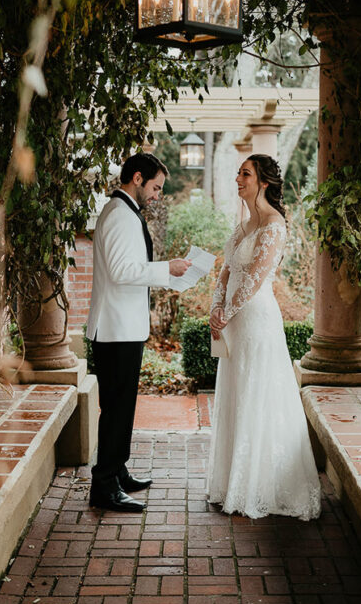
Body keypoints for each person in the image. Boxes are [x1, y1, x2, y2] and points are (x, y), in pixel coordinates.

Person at [207, 154, 322, 520]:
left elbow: (255, 278)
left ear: (263, 183)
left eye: (245, 174)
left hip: (256, 321)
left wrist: (227, 312)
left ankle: (259, 486)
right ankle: (233, 483)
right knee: (237, 393)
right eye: (238, 172)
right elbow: (226, 271)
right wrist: (215, 306)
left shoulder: (274, 225)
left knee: (258, 394)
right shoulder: (243, 225)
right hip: (234, 323)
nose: (237, 178)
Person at [86, 152, 192, 512]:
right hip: (115, 330)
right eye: (156, 187)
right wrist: (168, 269)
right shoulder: (118, 215)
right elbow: (120, 270)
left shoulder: (126, 213)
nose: (158, 195)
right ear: (136, 178)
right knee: (115, 408)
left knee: (122, 406)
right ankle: (104, 485)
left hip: (124, 327)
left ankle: (117, 472)